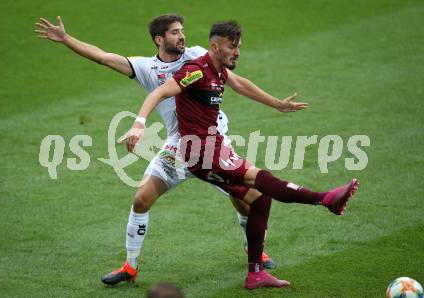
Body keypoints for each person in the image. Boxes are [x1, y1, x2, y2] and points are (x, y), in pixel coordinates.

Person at [34, 14, 279, 285]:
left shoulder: (199, 55)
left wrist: (275, 103)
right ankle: (130, 266)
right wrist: (66, 39)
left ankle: (254, 249)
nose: (182, 36)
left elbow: (237, 81)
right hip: (177, 146)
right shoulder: (146, 68)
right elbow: (103, 57)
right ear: (159, 40)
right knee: (141, 199)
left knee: (247, 201)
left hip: (212, 145)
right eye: (175, 32)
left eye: (182, 30)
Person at [119, 20, 359, 289]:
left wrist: (276, 104)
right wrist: (139, 124)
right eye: (232, 47)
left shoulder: (219, 72)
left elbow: (242, 85)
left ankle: (255, 273)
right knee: (264, 180)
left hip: (212, 148)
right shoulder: (196, 71)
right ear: (215, 47)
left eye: (239, 47)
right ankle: (326, 200)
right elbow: (161, 92)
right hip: (201, 152)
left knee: (259, 201)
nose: (237, 52)